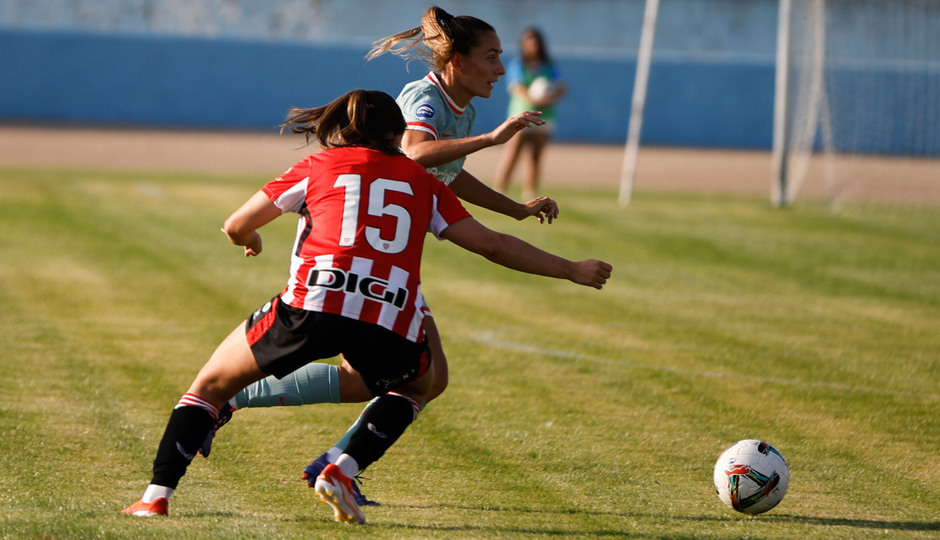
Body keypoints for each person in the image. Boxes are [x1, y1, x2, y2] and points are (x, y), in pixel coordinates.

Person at [121, 88, 611, 524]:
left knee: (207, 386)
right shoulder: (424, 182)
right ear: (399, 137)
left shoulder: (316, 167)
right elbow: (492, 244)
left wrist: (248, 238)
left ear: (340, 130)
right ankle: (342, 467)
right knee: (419, 385)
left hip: (314, 303)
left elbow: (235, 224)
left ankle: (155, 497)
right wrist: (570, 268)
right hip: (389, 314)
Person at [203, 6, 566, 504]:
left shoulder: (461, 108)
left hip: (386, 259)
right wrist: (492, 139)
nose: (501, 69)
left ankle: (322, 459)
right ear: (457, 61)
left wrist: (515, 210)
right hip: (369, 260)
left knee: (408, 379)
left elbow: (449, 173)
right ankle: (318, 455)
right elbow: (415, 155)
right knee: (419, 378)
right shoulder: (424, 97)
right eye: (492, 56)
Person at [494, 27, 567, 200]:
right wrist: (533, 98)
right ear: (524, 45)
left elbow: (561, 86)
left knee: (536, 155)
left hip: (545, 117)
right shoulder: (518, 64)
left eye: (535, 42)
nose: (533, 45)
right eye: (529, 42)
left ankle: (530, 191)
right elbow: (516, 87)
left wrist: (549, 99)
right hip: (522, 114)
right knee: (513, 152)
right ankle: (500, 189)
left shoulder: (549, 65)